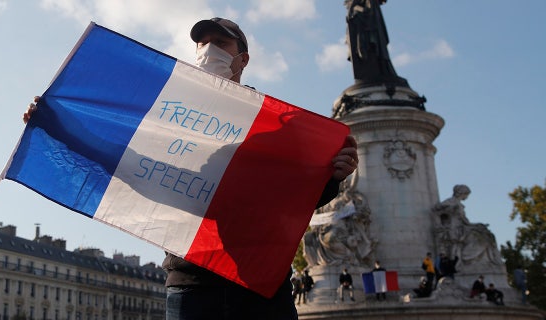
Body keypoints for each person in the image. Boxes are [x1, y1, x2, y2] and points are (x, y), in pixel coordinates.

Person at [23, 17, 358, 320]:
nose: (209, 50)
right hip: (193, 282)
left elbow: (298, 197)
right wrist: (59, 124)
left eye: (221, 43)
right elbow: (126, 160)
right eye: (202, 43)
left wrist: (334, 176)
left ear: (243, 59)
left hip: (259, 285)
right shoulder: (169, 120)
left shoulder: (278, 127)